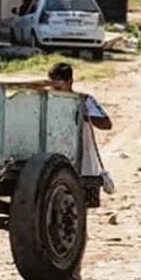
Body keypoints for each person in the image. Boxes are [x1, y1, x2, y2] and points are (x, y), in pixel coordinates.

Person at [47, 62, 115, 194]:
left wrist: (86, 115)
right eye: (53, 87)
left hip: (82, 159)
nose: (55, 91)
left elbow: (107, 124)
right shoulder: (47, 100)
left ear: (70, 82)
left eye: (59, 87)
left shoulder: (85, 101)